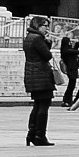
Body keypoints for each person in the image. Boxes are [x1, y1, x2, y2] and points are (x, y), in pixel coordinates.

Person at [22, 14, 56, 146]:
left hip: (32, 74)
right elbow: (47, 55)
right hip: (41, 74)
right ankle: (40, 135)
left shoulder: (29, 37)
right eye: (45, 26)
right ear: (38, 25)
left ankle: (31, 133)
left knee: (37, 104)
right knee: (44, 105)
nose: (47, 29)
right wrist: (47, 42)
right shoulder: (37, 39)